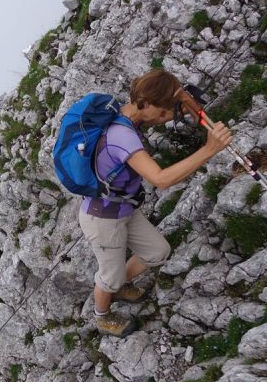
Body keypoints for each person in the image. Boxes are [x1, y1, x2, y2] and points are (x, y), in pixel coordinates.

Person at [79, 69, 232, 337]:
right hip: (103, 217)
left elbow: (168, 97)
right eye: (162, 113)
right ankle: (101, 316)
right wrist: (209, 150)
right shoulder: (121, 136)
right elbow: (160, 179)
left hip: (123, 208)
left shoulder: (129, 112)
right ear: (145, 103)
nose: (164, 120)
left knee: (158, 252)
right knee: (110, 276)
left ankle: (118, 284)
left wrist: (187, 105)